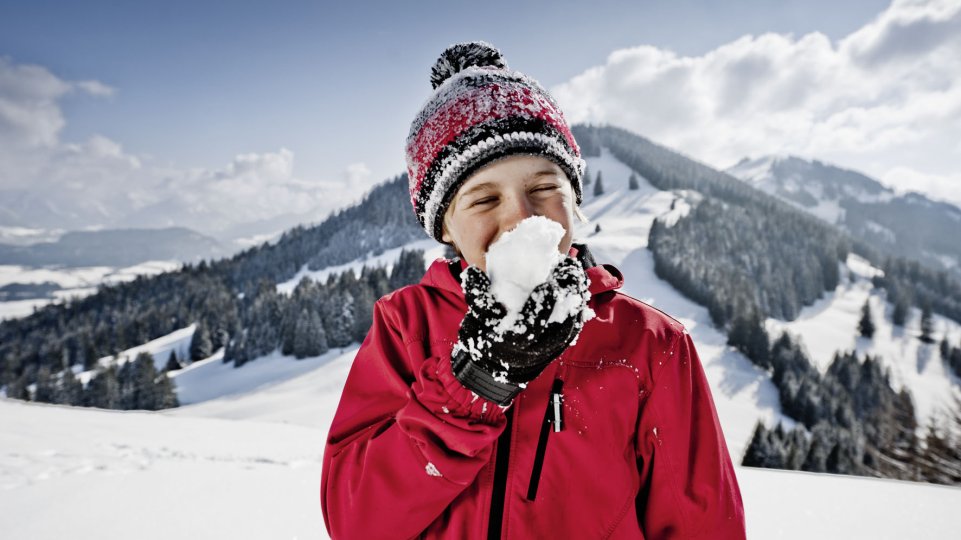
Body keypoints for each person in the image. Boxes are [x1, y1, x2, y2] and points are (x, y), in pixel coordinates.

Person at [321, 40, 746, 539]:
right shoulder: (405, 326)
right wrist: (474, 383)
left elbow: (702, 523)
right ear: (446, 229)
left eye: (544, 188)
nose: (521, 216)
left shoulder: (650, 345)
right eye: (483, 198)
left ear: (576, 201)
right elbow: (357, 520)